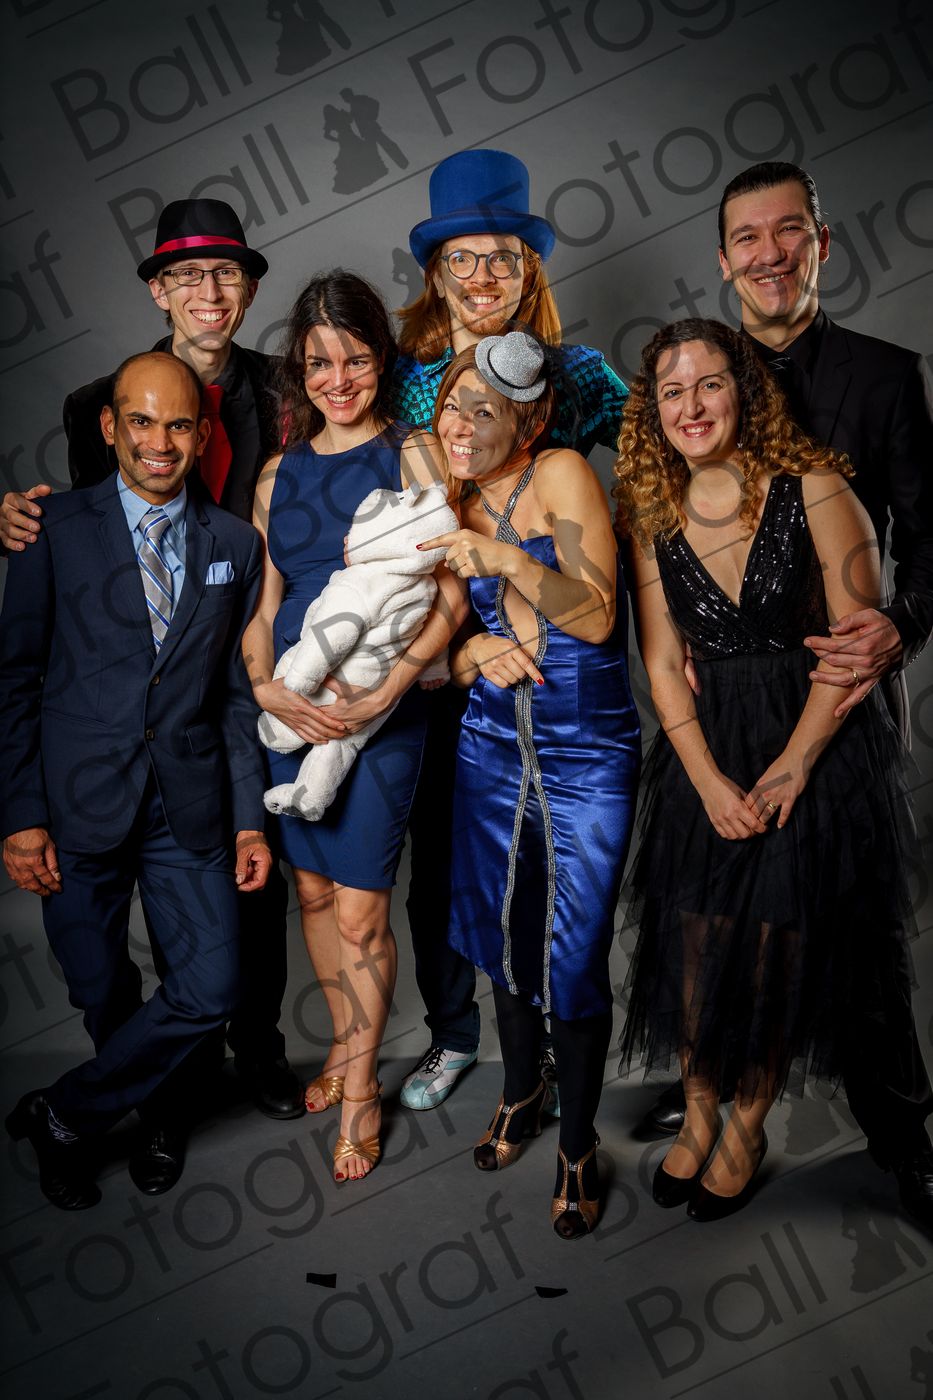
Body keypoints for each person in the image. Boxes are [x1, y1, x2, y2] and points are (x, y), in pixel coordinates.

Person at [636, 161, 933, 1231]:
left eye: (787, 232)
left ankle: (903, 1139)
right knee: (708, 927)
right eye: (746, 239)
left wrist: (899, 623)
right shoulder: (693, 386)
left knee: (850, 946)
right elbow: (657, 623)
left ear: (819, 241)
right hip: (718, 713)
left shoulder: (880, 378)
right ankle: (708, 1092)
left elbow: (928, 540)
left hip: (829, 696)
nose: (768, 254)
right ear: (724, 261)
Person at [0, 199, 304, 1125]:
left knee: (246, 914)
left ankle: (254, 1051)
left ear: (249, 288)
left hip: (257, 652)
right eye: (187, 275)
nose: (209, 292)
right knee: (108, 966)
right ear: (158, 290)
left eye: (227, 273)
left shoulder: (288, 391)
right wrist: (24, 523)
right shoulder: (96, 403)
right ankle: (161, 1102)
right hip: (120, 716)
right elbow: (88, 569)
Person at [0, 352, 272, 1208]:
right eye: (142, 421)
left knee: (212, 985)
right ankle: (153, 1118)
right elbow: (15, 679)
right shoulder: (51, 527)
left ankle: (64, 1115)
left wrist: (249, 818)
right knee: (101, 988)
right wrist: (20, 816)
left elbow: (234, 695)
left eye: (179, 424)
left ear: (203, 434)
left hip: (187, 805)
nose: (160, 441)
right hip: (74, 804)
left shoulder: (235, 544)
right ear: (110, 426)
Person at [390, 148, 629, 1113]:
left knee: (561, 881)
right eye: (462, 258)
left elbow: (658, 479)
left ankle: (559, 1065)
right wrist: (452, 649)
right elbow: (380, 537)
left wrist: (657, 601)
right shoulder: (406, 387)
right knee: (453, 871)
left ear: (528, 269)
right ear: (435, 271)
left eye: (501, 257)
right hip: (450, 656)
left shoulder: (579, 376)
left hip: (564, 666)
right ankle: (459, 1039)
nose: (482, 276)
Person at [242, 271, 466, 1182]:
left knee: (364, 908)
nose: (338, 380)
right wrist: (264, 687)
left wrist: (387, 694)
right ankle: (343, 1042)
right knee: (313, 895)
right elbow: (262, 609)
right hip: (294, 707)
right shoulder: (276, 473)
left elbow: (451, 596)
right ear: (300, 370)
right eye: (319, 363)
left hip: (379, 712)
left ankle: (363, 1090)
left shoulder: (413, 453)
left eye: (357, 359)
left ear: (382, 359)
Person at [419, 331, 640, 1236]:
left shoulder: (560, 475)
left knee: (573, 952)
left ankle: (578, 1144)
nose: (462, 425)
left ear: (531, 417)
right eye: (452, 406)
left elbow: (596, 617)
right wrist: (470, 651)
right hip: (488, 750)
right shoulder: (446, 497)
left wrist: (508, 559)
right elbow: (423, 659)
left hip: (586, 753)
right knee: (501, 933)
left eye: (485, 411)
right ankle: (519, 1092)